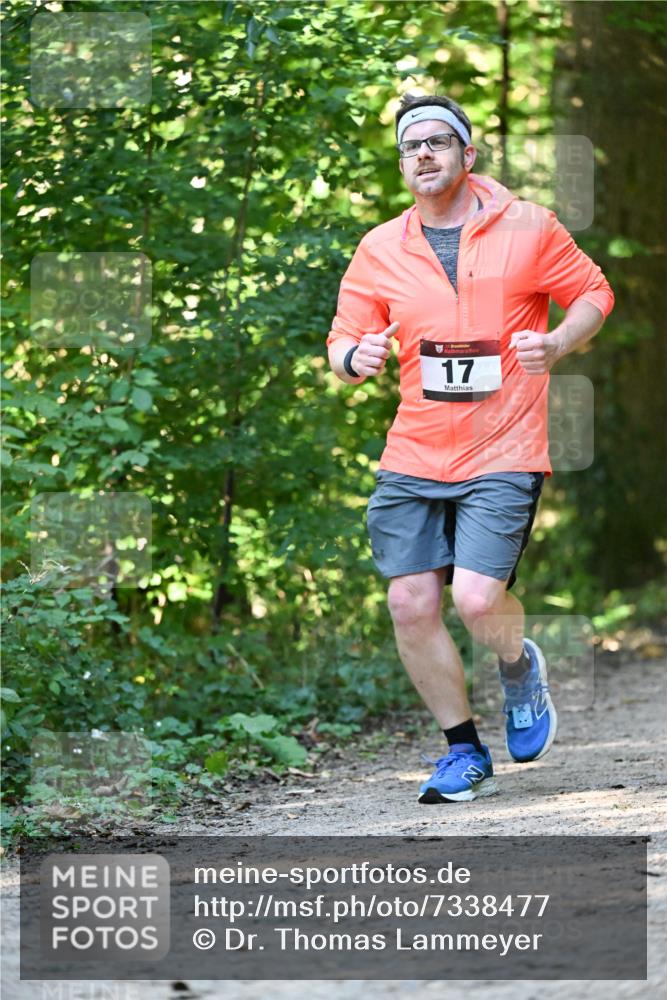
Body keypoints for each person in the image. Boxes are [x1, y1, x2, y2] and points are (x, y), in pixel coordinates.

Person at [326, 93, 614, 804]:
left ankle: (518, 668)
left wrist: (556, 341)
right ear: (401, 164)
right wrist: (354, 358)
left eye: (437, 141)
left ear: (467, 154)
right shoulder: (379, 248)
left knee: (478, 601)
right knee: (409, 601)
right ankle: (462, 750)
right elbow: (342, 339)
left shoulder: (528, 226)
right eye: (410, 146)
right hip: (414, 451)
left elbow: (593, 292)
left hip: (504, 445)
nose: (422, 154)